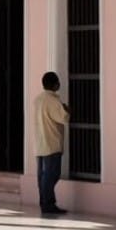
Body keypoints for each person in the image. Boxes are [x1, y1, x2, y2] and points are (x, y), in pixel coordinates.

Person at [32, 71, 70, 217]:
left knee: (42, 176)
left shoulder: (38, 99)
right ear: (55, 84)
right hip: (52, 142)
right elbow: (63, 118)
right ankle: (49, 204)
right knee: (52, 174)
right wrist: (67, 110)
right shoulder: (53, 101)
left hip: (40, 143)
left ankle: (45, 202)